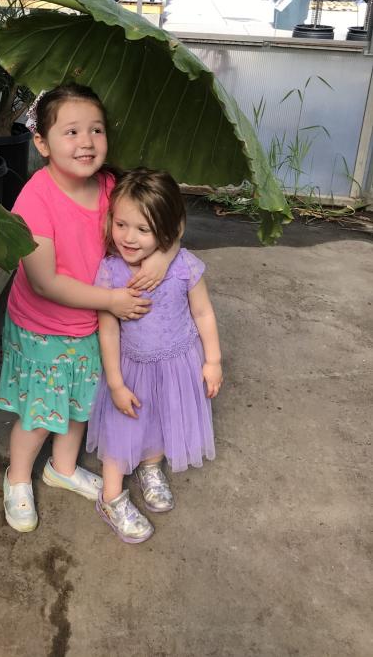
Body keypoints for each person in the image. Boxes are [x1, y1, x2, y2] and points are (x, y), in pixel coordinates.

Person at [0, 85, 179, 533]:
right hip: (45, 328)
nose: (87, 142)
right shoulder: (35, 199)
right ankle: (17, 477)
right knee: (40, 414)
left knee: (80, 405)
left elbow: (169, 218)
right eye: (71, 131)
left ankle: (61, 468)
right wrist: (114, 301)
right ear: (41, 142)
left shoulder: (113, 187)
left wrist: (163, 254)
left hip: (93, 327)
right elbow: (45, 282)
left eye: (96, 130)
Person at [87, 168, 222, 543]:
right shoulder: (111, 271)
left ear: (166, 230)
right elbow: (109, 327)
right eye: (121, 224)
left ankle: (150, 467)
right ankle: (111, 496)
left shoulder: (184, 267)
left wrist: (212, 360)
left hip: (178, 361)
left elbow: (203, 313)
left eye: (143, 230)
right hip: (132, 366)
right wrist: (114, 381)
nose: (128, 237)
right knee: (122, 428)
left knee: (163, 417)